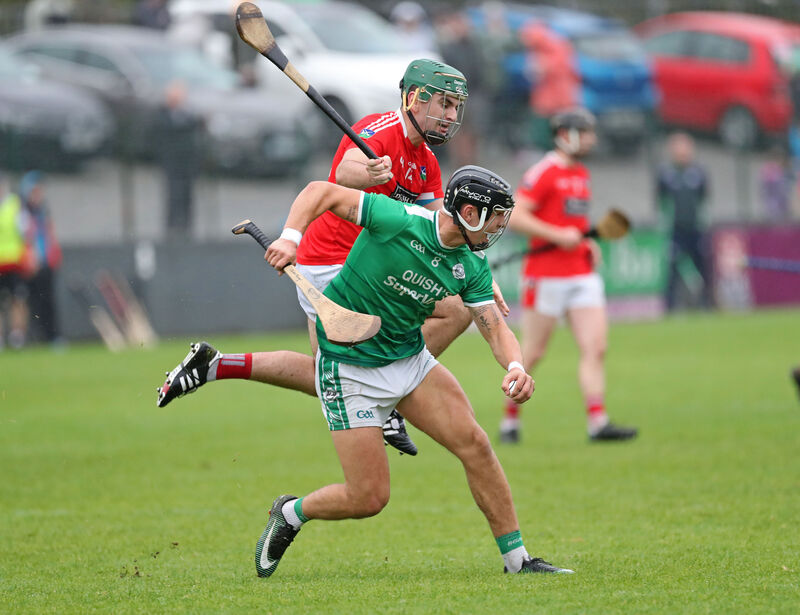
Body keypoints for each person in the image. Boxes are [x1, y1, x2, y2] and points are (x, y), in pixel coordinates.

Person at [157, 59, 505, 456]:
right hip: (331, 264)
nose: (451, 115)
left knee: (332, 373)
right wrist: (368, 174)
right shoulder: (379, 130)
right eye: (444, 103)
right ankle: (393, 393)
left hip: (373, 268)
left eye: (456, 107)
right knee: (348, 372)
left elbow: (440, 228)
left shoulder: (426, 163)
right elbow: (344, 172)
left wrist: (480, 278)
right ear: (413, 97)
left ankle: (215, 364)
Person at [255, 165, 573, 578]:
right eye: (494, 217)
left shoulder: (471, 265)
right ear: (469, 212)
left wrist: (516, 365)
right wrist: (290, 238)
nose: (499, 227)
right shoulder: (397, 219)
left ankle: (518, 561)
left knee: (475, 444)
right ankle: (291, 513)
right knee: (368, 498)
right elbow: (322, 191)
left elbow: (494, 327)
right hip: (349, 369)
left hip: (408, 360)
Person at [499, 108, 638, 444]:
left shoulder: (581, 174)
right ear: (565, 134)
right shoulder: (544, 172)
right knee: (532, 353)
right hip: (544, 276)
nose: (591, 138)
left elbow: (576, 224)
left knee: (596, 347)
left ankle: (597, 422)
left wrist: (587, 243)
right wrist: (557, 235)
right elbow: (514, 214)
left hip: (581, 273)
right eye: (585, 132)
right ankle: (510, 421)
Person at [657, 132, 713, 312]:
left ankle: (706, 304)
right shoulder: (666, 174)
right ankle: (671, 307)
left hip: (696, 229)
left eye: (685, 148)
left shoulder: (699, 172)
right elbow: (660, 200)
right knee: (673, 268)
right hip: (675, 230)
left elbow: (704, 198)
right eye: (678, 149)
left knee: (703, 266)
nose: (682, 152)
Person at [19, 171, 63, 346]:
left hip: (46, 264)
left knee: (49, 302)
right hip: (27, 267)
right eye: (34, 191)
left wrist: (54, 255)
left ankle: (53, 338)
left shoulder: (44, 211)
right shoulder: (21, 213)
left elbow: (50, 236)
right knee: (28, 303)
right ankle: (31, 339)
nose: (38, 195)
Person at [156, 81, 202, 234]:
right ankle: (172, 225)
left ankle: (186, 224)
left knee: (187, 195)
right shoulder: (163, 116)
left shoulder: (189, 117)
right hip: (172, 163)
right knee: (174, 194)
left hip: (187, 163)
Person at [0, 174, 31, 350]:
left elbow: (26, 233)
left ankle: (17, 335)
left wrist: (28, 256)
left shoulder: (14, 205)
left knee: (18, 299)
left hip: (14, 262)